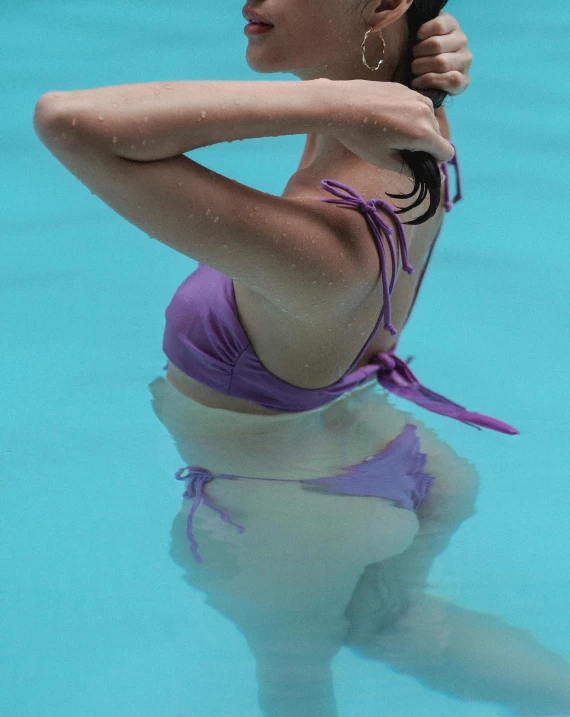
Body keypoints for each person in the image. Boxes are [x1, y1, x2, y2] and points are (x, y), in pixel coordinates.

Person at [34, 2, 570, 716]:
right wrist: (392, 64)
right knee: (407, 630)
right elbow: (389, 48)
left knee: (294, 689)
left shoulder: (324, 242)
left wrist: (327, 97)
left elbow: (65, 122)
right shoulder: (419, 130)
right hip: (382, 451)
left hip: (294, 517)